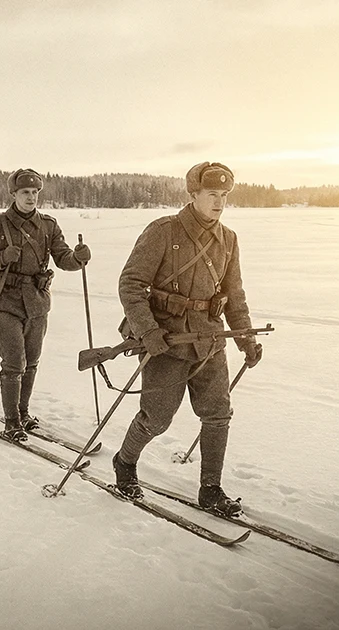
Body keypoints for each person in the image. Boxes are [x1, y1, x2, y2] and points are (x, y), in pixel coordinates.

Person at [110, 162, 263, 517]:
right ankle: (125, 462)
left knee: (218, 415)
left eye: (224, 196)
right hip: (167, 342)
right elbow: (130, 284)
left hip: (210, 342)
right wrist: (149, 333)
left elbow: (233, 295)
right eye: (212, 195)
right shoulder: (163, 231)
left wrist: (245, 339)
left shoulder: (229, 239)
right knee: (157, 419)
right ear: (193, 194)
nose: (219, 202)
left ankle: (211, 489)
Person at [0, 169, 91, 440]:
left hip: (36, 302)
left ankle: (22, 412)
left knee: (31, 362)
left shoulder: (48, 225)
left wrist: (78, 258)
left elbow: (63, 258)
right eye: (25, 193)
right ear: (13, 194)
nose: (31, 197)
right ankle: (11, 422)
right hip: (5, 301)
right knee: (13, 363)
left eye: (35, 193)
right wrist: (1, 257)